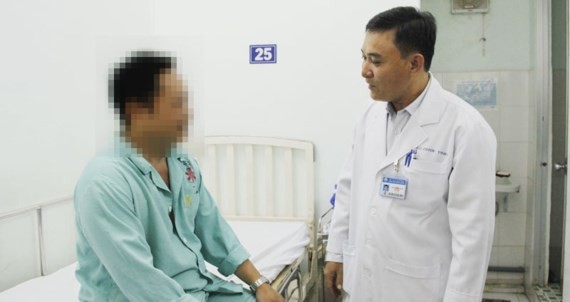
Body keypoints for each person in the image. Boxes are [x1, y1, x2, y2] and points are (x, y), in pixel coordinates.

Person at [74, 51, 284, 302]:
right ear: (136, 110)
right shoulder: (104, 182)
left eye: (185, 103)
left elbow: (213, 230)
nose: (188, 114)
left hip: (199, 290)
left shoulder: (182, 163)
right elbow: (142, 281)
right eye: (176, 104)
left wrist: (259, 283)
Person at [324, 7, 496, 302]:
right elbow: (348, 188)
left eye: (375, 61)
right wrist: (337, 252)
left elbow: (473, 237)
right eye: (363, 57)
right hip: (364, 283)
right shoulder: (369, 117)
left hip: (420, 290)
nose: (364, 71)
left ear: (414, 63)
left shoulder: (465, 129)